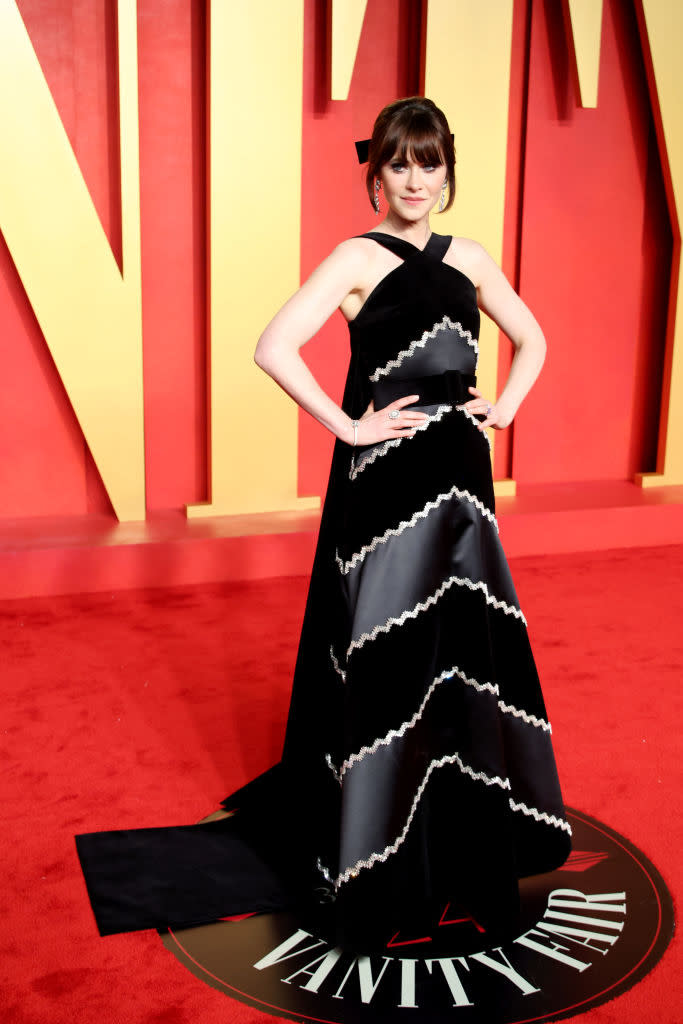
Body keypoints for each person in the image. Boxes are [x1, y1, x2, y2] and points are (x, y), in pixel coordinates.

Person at [76, 96, 571, 951]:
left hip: (459, 481)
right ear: (374, 173)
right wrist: (347, 428)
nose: (414, 179)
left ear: (448, 172)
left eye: (428, 163)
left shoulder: (472, 257)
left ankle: (449, 827)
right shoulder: (355, 256)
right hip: (386, 490)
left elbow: (531, 339)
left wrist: (504, 410)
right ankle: (380, 841)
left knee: (458, 652)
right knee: (390, 653)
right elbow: (274, 346)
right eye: (397, 163)